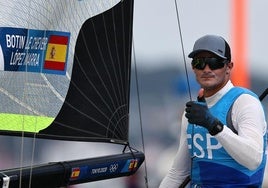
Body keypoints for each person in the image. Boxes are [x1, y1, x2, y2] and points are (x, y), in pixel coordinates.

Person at [159, 34, 267, 187]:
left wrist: (213, 125)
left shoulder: (245, 102)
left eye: (214, 62)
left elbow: (254, 160)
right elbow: (177, 174)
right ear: (193, 68)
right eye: (200, 63)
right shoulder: (190, 113)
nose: (207, 69)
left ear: (229, 67)